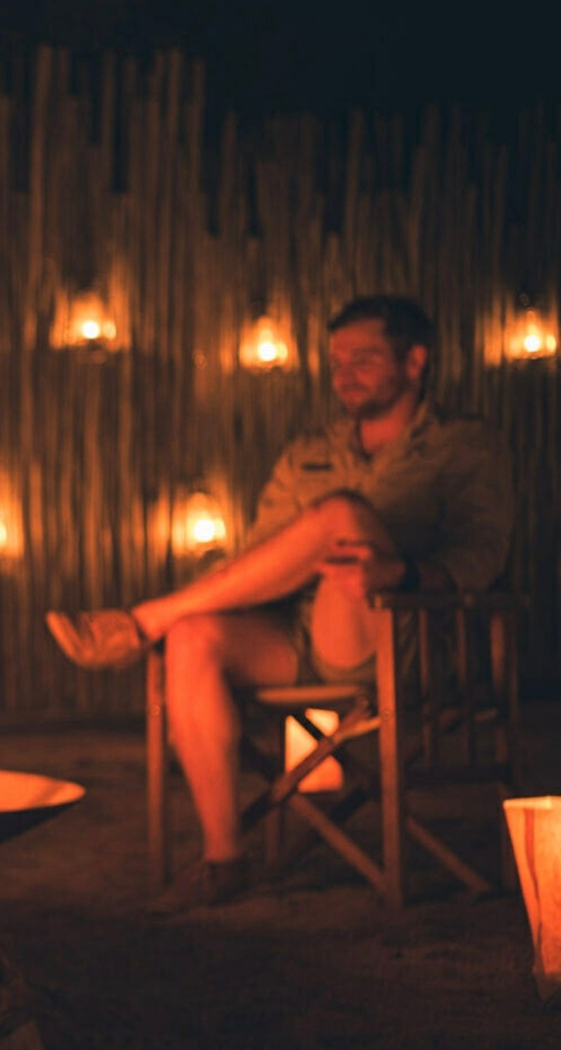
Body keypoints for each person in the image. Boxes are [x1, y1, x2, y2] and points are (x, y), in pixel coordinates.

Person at [45, 295, 514, 910]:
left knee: (342, 512)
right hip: (305, 633)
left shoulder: (466, 446)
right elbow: (256, 561)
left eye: (364, 359)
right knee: (194, 638)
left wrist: (399, 570)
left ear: (414, 361)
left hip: (407, 637)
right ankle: (223, 858)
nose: (345, 374)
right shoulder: (308, 452)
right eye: (338, 361)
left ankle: (141, 621)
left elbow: (483, 557)